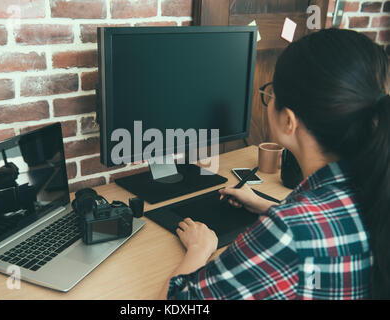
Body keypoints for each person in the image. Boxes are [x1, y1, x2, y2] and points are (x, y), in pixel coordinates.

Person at [159, 28, 389, 300]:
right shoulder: (375, 183)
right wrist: (271, 206)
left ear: (288, 121)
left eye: (270, 92)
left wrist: (199, 248)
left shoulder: (288, 233)